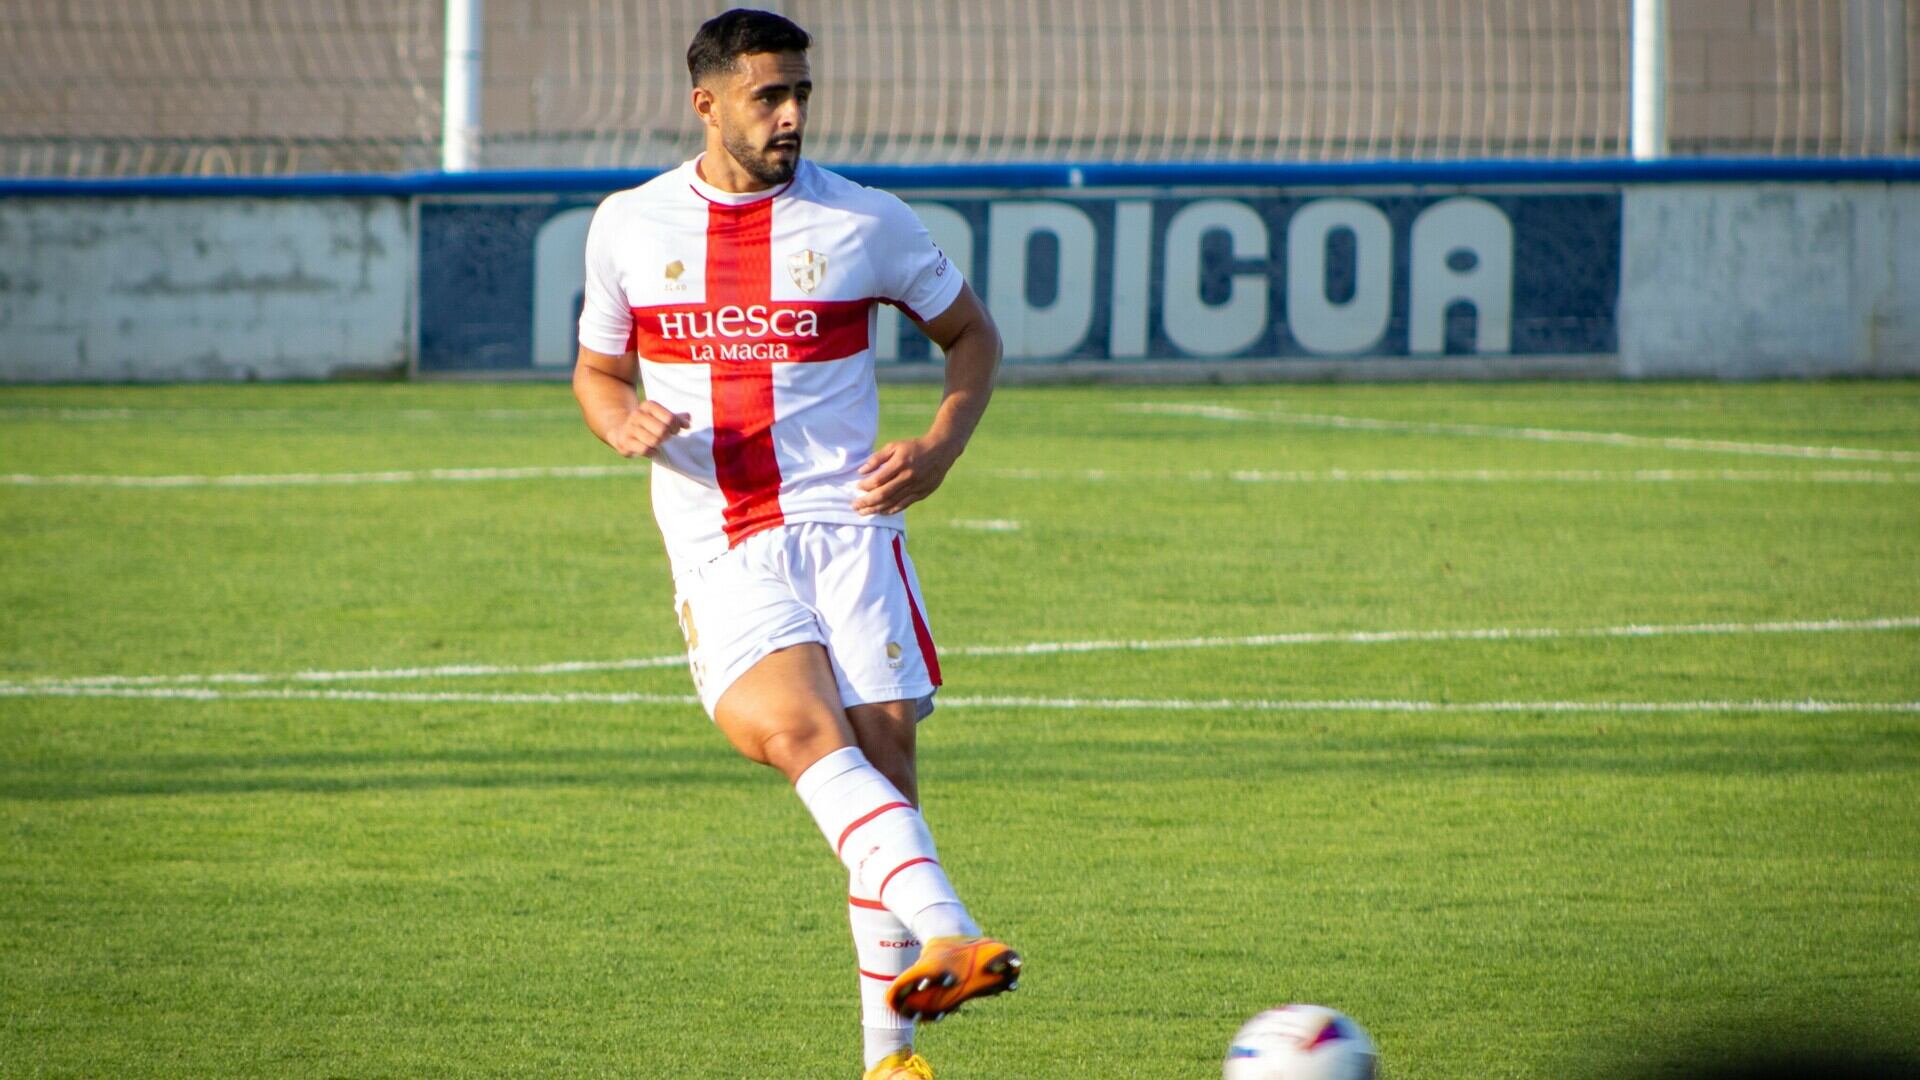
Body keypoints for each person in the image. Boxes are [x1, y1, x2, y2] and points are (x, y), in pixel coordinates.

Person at [570, 10, 1017, 1079]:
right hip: (722, 538)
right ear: (707, 102)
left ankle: (890, 1060)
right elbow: (596, 370)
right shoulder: (630, 225)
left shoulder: (866, 223)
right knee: (805, 736)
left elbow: (972, 336)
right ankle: (951, 930)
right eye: (769, 95)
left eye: (801, 95)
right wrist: (616, 419)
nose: (791, 115)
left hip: (851, 526)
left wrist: (941, 447)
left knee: (888, 763)